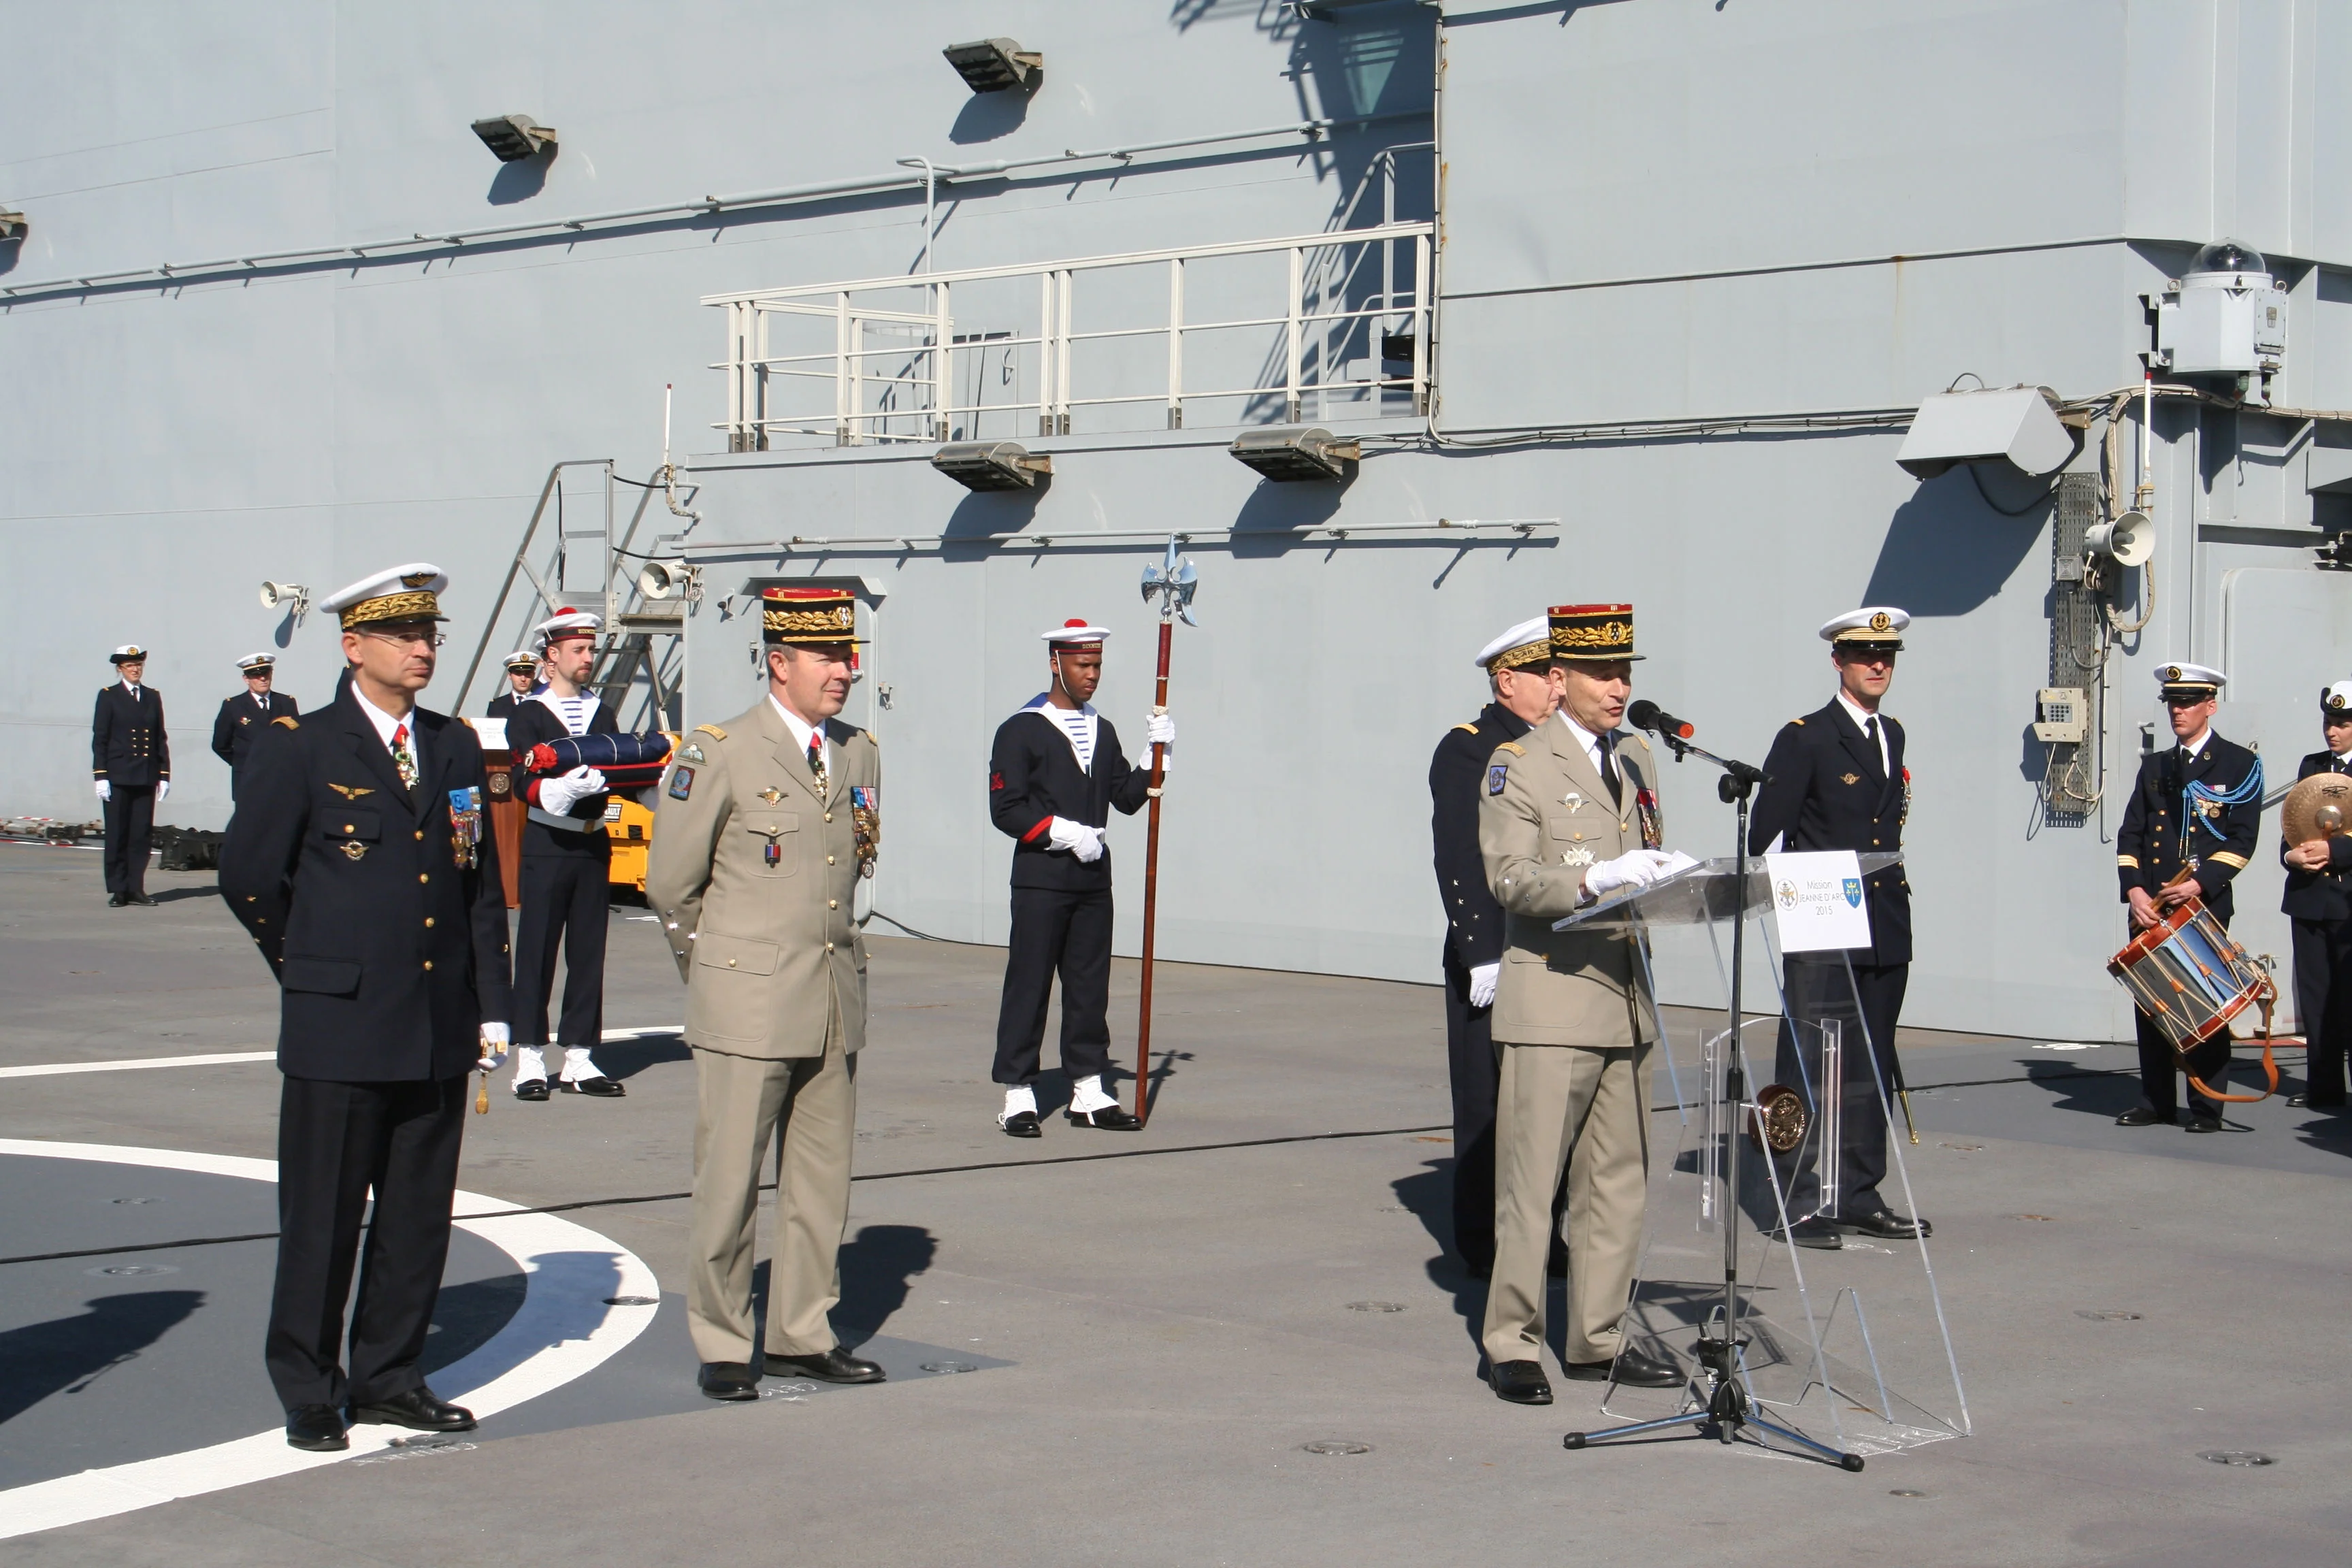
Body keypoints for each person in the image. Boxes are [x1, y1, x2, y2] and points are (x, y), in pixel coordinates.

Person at [218, 563, 512, 1452]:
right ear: (355, 647)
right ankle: (309, 1384)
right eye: (404, 636)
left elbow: (475, 884)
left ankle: (388, 1374)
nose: (424, 649)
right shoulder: (299, 746)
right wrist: (306, 969)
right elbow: (248, 877)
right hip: (337, 1027)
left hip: (433, 1020)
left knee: (418, 1217)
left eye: (431, 636)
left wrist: (491, 1005)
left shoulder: (454, 746)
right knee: (323, 1217)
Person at [647, 586, 885, 1401]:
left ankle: (799, 1333)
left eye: (847, 656)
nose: (843, 671)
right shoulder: (718, 752)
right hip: (746, 1005)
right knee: (729, 1183)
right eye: (826, 657)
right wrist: (715, 976)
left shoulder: (859, 753)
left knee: (822, 1181)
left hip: (829, 999)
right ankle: (722, 1339)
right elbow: (671, 886)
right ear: (779, 663)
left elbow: (848, 873)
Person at [1477, 604, 1684, 1405]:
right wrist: (1592, 880)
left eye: (1626, 671)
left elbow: (1650, 851)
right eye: (1603, 673)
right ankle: (1512, 1342)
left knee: (1617, 1182)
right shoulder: (1517, 763)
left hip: (1627, 997)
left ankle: (1597, 1337)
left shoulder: (1637, 757)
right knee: (1532, 1187)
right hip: (1555, 999)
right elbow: (1509, 877)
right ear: (1558, 680)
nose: (1619, 686)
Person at [1747, 607, 1929, 1249]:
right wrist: (1796, 895)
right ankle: (1794, 1197)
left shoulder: (1893, 734)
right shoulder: (1807, 737)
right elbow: (1764, 832)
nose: (1878, 665)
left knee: (1871, 1064)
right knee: (1805, 1065)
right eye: (1864, 655)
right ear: (1839, 663)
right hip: (1823, 923)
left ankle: (1858, 1191)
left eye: (1887, 656)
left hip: (1883, 921)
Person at [985, 619, 1175, 1137]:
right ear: (1056, 663)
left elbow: (1128, 798)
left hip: (1092, 881)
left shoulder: (1103, 729)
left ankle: (1088, 1089)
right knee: (1029, 984)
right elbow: (1006, 809)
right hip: (1042, 878)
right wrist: (1064, 833)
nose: (1092, 675)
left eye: (1096, 666)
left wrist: (1155, 756)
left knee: (1090, 986)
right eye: (1082, 665)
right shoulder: (1021, 729)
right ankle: (1019, 1092)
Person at [1428, 616, 1558, 1278]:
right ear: (1508, 681)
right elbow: (1458, 848)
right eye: (1545, 673)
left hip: (1556, 954)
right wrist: (1481, 948)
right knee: (1486, 1100)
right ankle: (1483, 1236)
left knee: (1548, 1099)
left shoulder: (1562, 748)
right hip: (1495, 954)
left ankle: (1545, 1233)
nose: (1557, 686)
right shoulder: (1470, 749)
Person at [2115, 662, 2261, 1132]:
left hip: (2202, 905)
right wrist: (2135, 890)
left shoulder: (2239, 764)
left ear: (2209, 706)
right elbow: (2130, 835)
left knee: (2203, 1004)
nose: (2177, 711)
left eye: (2187, 703)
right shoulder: (2156, 766)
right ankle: (2155, 1100)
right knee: (2153, 1003)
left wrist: (2200, 885)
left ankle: (2205, 1106)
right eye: (2172, 703)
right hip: (2152, 905)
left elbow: (2241, 841)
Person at [503, 609, 625, 1100]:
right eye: (579, 650)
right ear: (551, 656)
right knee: (536, 950)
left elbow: (623, 760)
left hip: (593, 841)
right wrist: (549, 791)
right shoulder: (529, 713)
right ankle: (529, 1054)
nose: (588, 658)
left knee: (588, 951)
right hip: (548, 844)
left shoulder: (603, 711)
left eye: (591, 650)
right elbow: (519, 773)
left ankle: (580, 1055)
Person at [2279, 679, 2352, 1110]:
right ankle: (2324, 1086)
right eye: (2329, 722)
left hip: (2349, 898)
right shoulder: (2313, 767)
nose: (2333, 732)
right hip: (2310, 896)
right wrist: (2291, 857)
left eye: (2342, 723)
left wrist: (2334, 850)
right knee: (2316, 994)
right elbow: (2293, 822)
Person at [93, 644, 169, 906]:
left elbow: (160, 737)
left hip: (145, 774)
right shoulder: (109, 697)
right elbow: (100, 739)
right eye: (129, 666)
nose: (135, 669)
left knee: (140, 835)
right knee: (117, 834)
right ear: (120, 669)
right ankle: (118, 888)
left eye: (138, 665)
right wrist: (100, 775)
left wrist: (164, 773)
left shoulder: (152, 696)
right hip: (118, 774)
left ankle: (136, 887)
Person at [211, 653, 300, 801]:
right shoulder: (233, 706)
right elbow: (220, 745)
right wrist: (244, 762)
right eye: (256, 675)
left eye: (266, 673)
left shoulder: (286, 703)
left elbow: (297, 739)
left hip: (281, 779)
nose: (263, 679)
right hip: (248, 779)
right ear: (246, 679)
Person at [485, 651, 542, 719]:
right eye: (518, 674)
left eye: (527, 674)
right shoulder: (497, 706)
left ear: (533, 675)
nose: (523, 679)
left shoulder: (542, 703)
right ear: (510, 676)